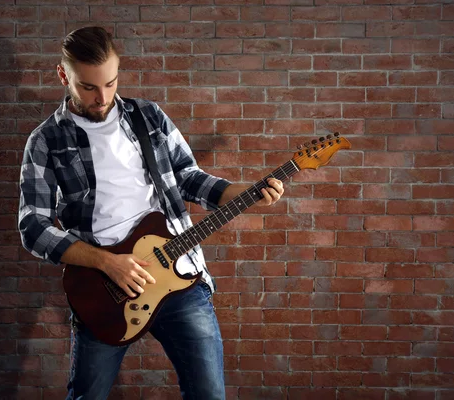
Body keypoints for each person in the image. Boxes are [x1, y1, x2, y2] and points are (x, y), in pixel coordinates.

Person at [18, 26, 284, 400]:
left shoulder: (149, 117)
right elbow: (33, 226)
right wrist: (107, 264)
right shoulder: (46, 140)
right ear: (64, 75)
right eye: (88, 87)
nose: (102, 98)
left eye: (110, 83)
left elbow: (189, 178)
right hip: (104, 291)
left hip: (179, 279)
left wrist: (242, 192)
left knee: (208, 394)